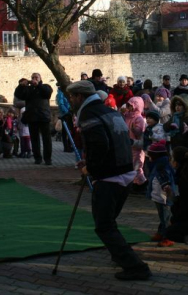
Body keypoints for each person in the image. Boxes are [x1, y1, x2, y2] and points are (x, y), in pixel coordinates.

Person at [65, 80, 151, 281]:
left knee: (104, 225)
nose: (71, 100)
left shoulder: (88, 114)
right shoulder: (110, 112)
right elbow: (117, 142)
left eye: (72, 96)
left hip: (109, 177)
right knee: (109, 222)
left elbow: (100, 144)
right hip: (125, 173)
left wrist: (90, 168)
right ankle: (119, 255)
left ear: (80, 97)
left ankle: (135, 266)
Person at [14, 73, 53, 165]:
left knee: (46, 139)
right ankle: (37, 158)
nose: (34, 79)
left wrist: (38, 85)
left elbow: (47, 94)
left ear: (40, 78)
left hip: (44, 116)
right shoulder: (29, 89)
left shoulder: (45, 87)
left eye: (36, 77)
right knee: (34, 139)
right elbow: (19, 95)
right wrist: (21, 86)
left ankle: (48, 159)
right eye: (33, 78)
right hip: (32, 117)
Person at [145, 140, 176, 246]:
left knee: (166, 217)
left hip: (163, 197)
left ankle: (168, 237)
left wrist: (167, 189)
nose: (149, 159)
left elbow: (167, 182)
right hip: (158, 196)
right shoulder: (158, 165)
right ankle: (161, 232)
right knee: (162, 216)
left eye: (150, 156)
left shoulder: (162, 167)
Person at [124, 97, 147, 187]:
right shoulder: (127, 116)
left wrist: (134, 129)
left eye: (131, 106)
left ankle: (141, 184)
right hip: (129, 143)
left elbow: (140, 131)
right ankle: (134, 183)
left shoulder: (139, 118)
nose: (129, 108)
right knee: (131, 165)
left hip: (136, 145)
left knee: (137, 166)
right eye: (128, 106)